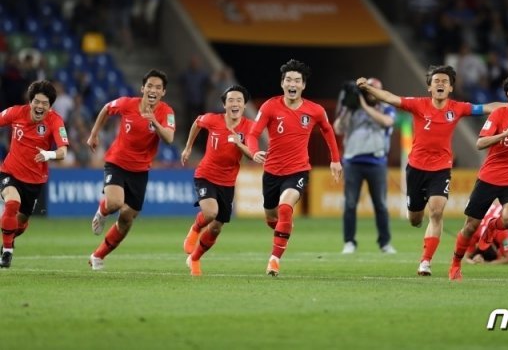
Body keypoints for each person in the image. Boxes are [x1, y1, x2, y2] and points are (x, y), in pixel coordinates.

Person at [356, 65, 506, 276]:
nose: (441, 84)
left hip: (441, 169)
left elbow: (487, 107)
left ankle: (425, 262)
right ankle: (418, 222)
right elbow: (390, 98)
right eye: (436, 81)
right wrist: (367, 89)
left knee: (436, 212)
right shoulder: (418, 105)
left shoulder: (458, 108)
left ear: (451, 87)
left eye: (445, 81)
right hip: (416, 169)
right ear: (429, 87)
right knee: (415, 219)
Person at [247, 59, 342, 277]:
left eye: (297, 80)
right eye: (288, 79)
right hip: (271, 171)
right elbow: (253, 133)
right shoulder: (270, 106)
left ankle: (274, 260)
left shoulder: (315, 110)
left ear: (303, 85)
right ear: (282, 84)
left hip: (298, 170)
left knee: (284, 207)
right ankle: (284, 228)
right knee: (273, 216)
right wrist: (253, 151)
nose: (293, 84)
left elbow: (328, 131)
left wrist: (335, 159)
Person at [448, 73, 508, 281]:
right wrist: (504, 134)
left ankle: (492, 225)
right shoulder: (499, 115)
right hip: (489, 177)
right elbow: (480, 143)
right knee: (471, 226)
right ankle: (455, 264)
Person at [87, 69, 175, 270]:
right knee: (116, 203)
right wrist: (94, 134)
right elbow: (106, 109)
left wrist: (154, 121)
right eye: (150, 86)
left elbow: (169, 138)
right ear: (143, 88)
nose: (153, 90)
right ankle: (102, 211)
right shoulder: (127, 104)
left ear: (163, 93)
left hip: (140, 170)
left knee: (126, 219)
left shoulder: (166, 112)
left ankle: (98, 256)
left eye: (158, 87)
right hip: (117, 162)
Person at [181, 85, 255, 276]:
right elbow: (197, 123)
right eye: (230, 100)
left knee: (215, 228)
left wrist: (239, 144)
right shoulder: (212, 119)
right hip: (205, 175)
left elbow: (252, 154)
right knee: (210, 212)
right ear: (224, 104)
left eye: (239, 100)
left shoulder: (249, 127)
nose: (235, 103)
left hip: (228, 182)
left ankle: (195, 258)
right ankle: (195, 228)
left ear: (244, 105)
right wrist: (188, 147)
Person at [0, 80, 68, 268]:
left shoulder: (55, 120)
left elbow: (63, 151)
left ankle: (8, 238)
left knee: (19, 225)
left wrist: (49, 154)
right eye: (36, 101)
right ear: (30, 101)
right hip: (9, 172)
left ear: (50, 106)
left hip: (34, 180)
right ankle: (6, 253)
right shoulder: (16, 112)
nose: (39, 106)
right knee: (12, 203)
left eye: (44, 103)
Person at [333, 78, 396, 254]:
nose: (374, 93)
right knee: (350, 204)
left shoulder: (386, 107)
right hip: (353, 161)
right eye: (371, 90)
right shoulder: (352, 109)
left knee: (381, 205)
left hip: (377, 162)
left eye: (377, 90)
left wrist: (363, 106)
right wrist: (347, 108)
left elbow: (387, 122)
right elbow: (337, 128)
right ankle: (349, 242)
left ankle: (385, 243)